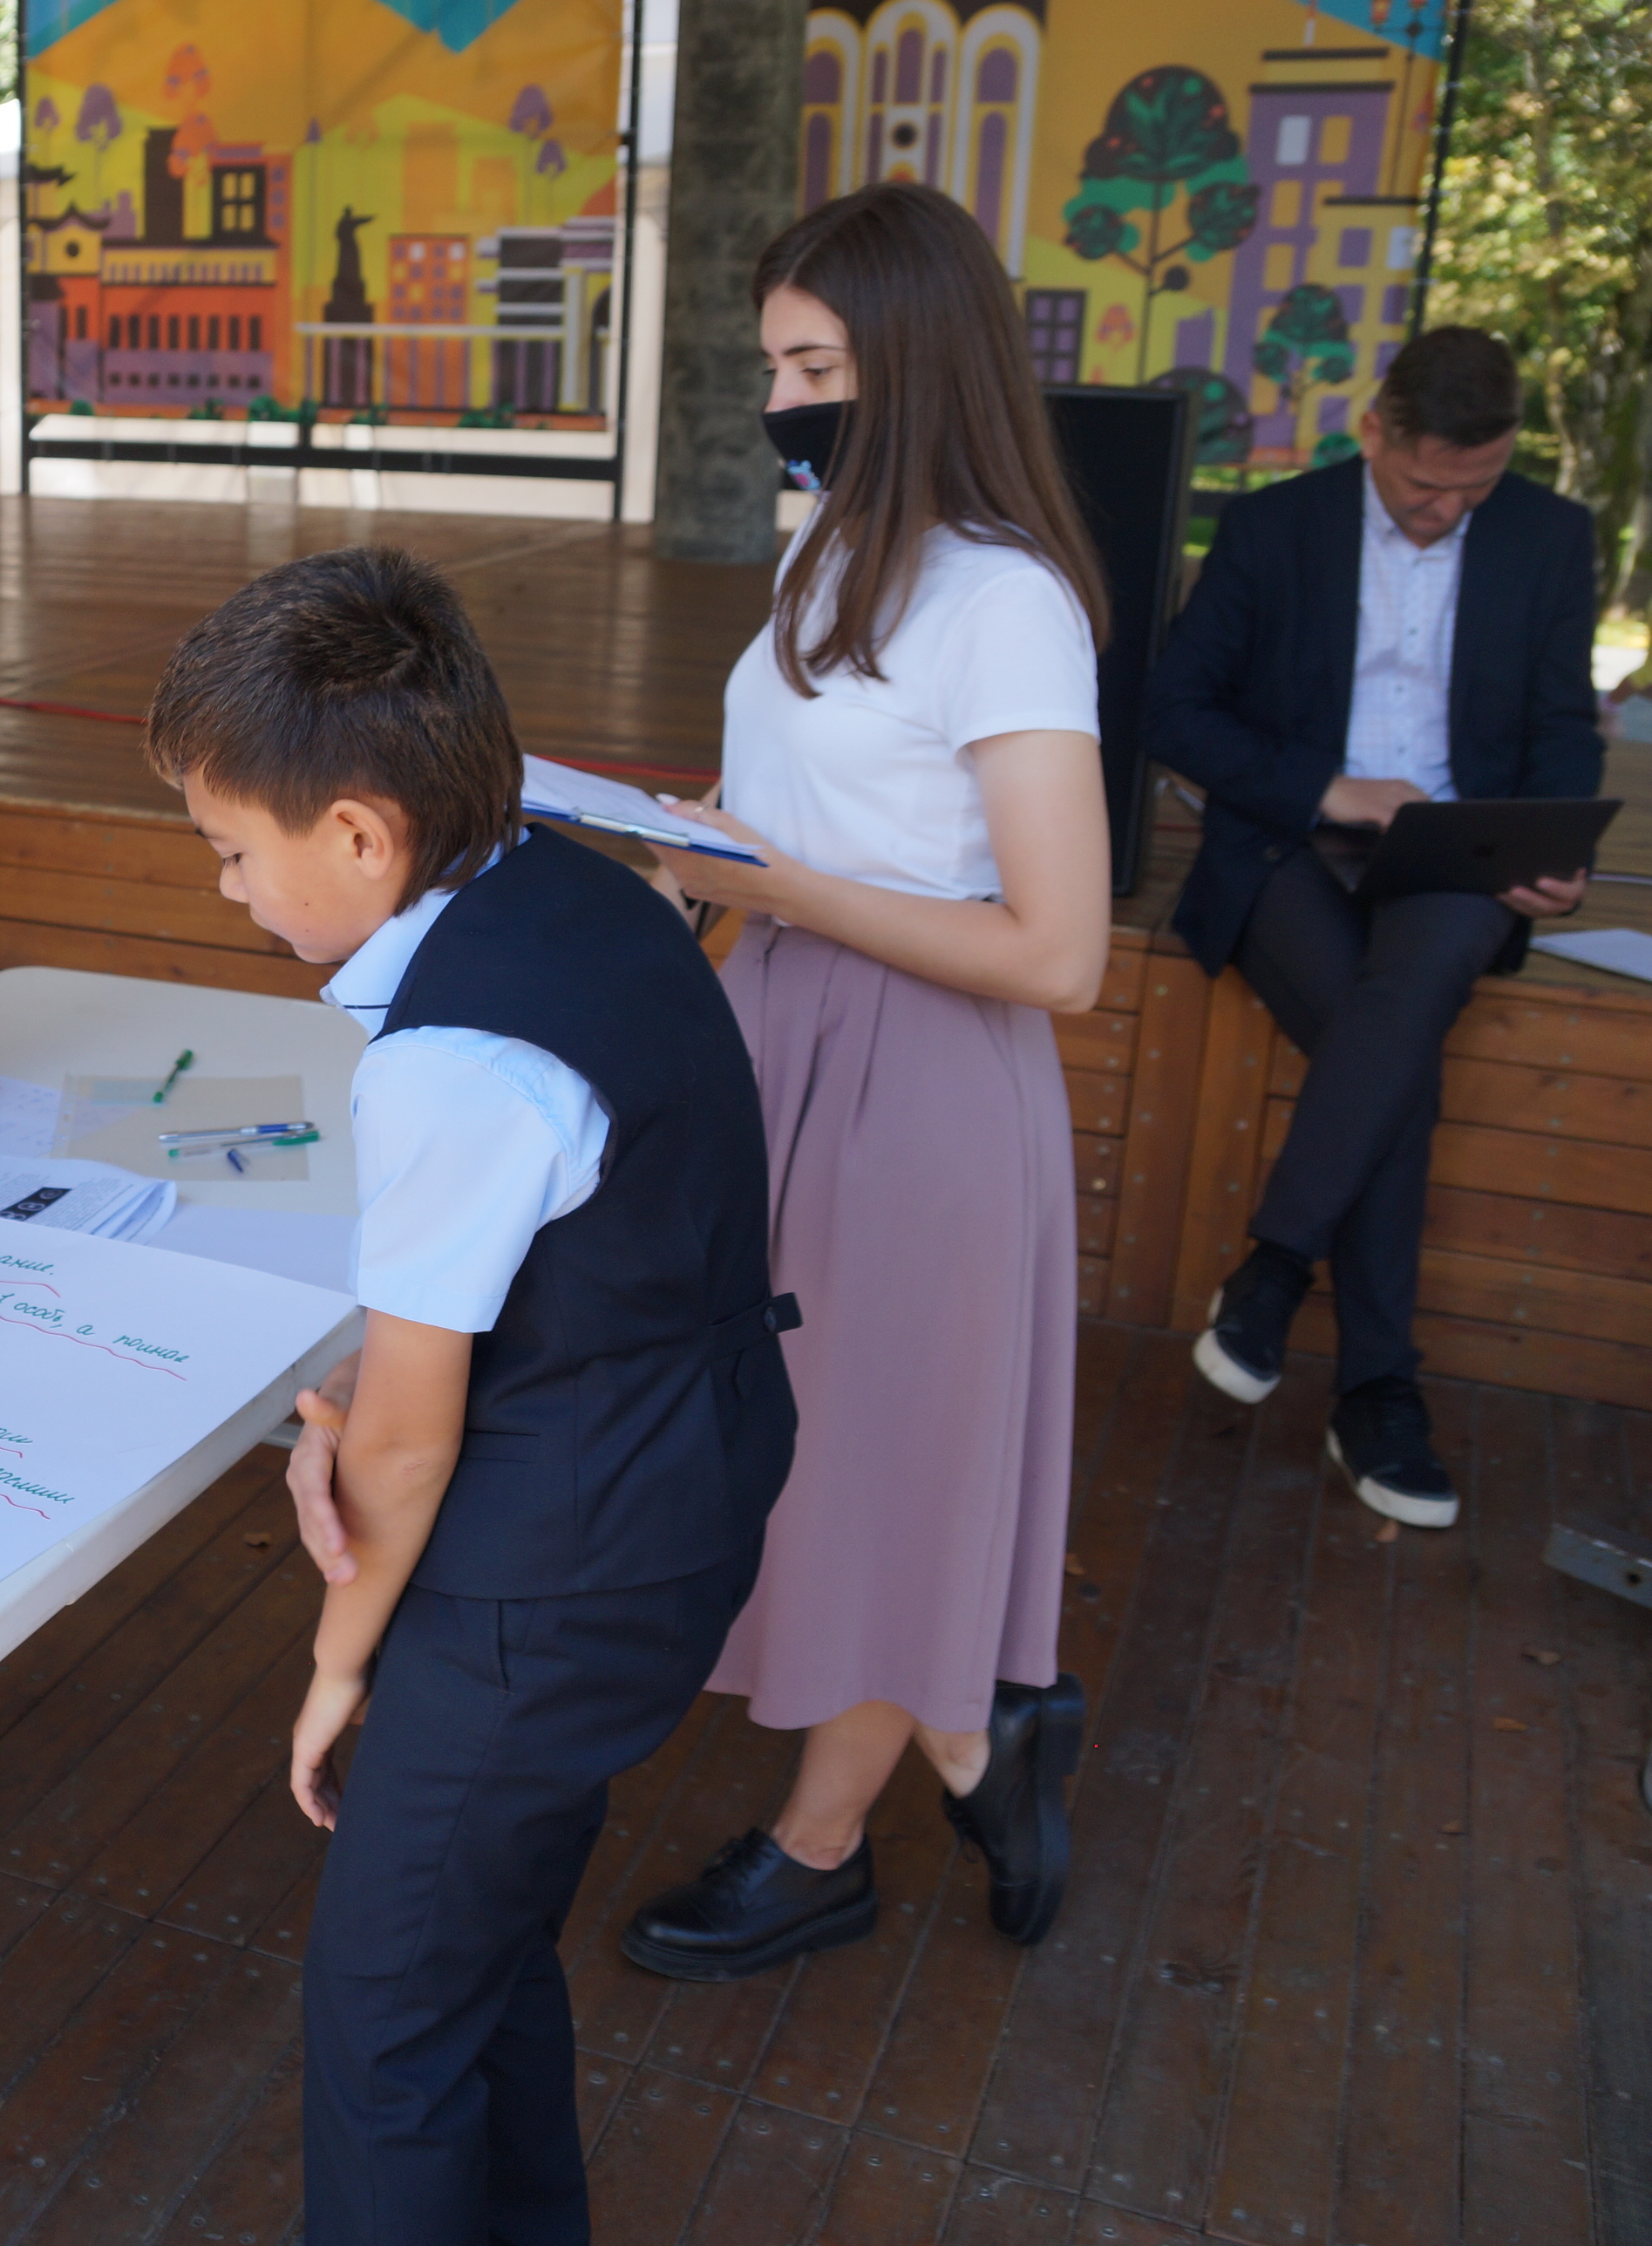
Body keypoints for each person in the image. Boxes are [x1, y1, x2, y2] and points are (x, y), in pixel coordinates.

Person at [153, 548, 793, 2245]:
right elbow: (522, 1294)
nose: (226, 887)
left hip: (553, 1579)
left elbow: (419, 1433)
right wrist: (370, 1422)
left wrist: (336, 1656)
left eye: (231, 849)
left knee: (384, 2024)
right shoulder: (571, 886)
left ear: (357, 835)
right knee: (479, 1942)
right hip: (672, 1482)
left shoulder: (451, 1059)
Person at [619, 180, 1108, 1977]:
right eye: (774, 363)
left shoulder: (1005, 601)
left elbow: (1059, 951)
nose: (785, 399)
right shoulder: (824, 554)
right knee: (792, 1444)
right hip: (787, 1026)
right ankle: (983, 1731)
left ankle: (824, 1840)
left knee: (871, 1462)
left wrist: (782, 885)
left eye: (815, 363)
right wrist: (714, 855)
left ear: (912, 362)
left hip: (924, 1078)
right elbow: (820, 822)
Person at [1150, 328, 1601, 1529]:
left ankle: (1273, 1272)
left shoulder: (1553, 538)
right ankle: (1378, 1392)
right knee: (1386, 1046)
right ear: (1375, 433)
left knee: (1404, 994)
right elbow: (1172, 709)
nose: (1449, 510)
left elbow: (1564, 731)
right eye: (1424, 484)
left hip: (1458, 855)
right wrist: (1327, 789)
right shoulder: (1272, 527)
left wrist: (1559, 852)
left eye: (1477, 488)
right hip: (1292, 843)